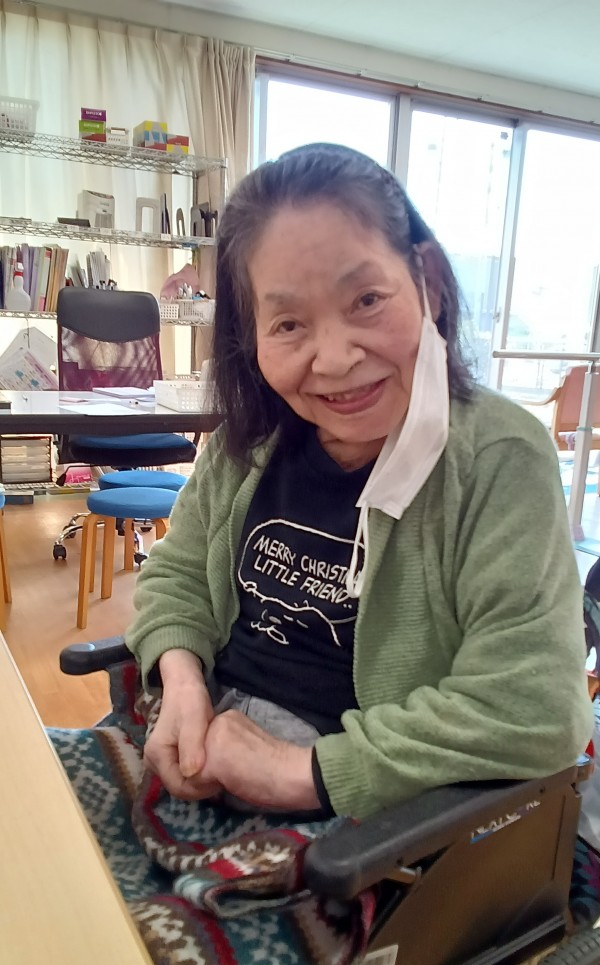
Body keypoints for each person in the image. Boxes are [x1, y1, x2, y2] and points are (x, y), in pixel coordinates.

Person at [125, 142, 592, 821]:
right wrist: (181, 682)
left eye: (367, 300)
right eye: (288, 323)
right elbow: (178, 574)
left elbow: (534, 706)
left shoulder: (497, 459)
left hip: (363, 819)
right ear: (250, 335)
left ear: (429, 283)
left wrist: (299, 773)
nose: (337, 359)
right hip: (200, 743)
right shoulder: (251, 438)